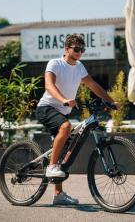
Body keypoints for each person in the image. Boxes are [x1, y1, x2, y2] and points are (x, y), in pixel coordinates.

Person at [36, 34, 118, 206]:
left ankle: (58, 194)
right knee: (66, 127)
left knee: (65, 150)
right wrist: (64, 99)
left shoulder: (79, 66)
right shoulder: (55, 63)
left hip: (62, 111)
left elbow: (93, 85)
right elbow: (49, 86)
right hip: (47, 108)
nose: (80, 52)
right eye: (76, 49)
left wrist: (110, 101)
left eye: (82, 49)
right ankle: (51, 167)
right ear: (66, 49)